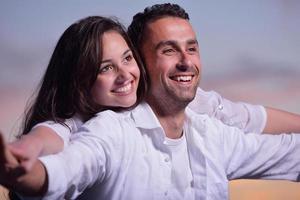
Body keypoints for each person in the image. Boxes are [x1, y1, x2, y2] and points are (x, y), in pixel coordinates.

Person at [1, 3, 300, 200]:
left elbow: (251, 120)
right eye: (168, 50)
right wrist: (26, 160)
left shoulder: (207, 122)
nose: (186, 61)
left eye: (191, 48)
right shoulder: (104, 129)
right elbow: (63, 160)